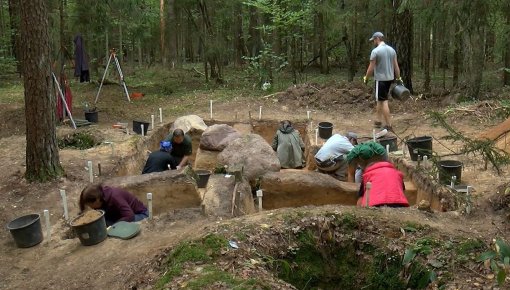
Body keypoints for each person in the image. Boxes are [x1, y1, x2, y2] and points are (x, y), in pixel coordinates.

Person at [346, 142, 408, 208]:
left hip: (375, 206)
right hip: (400, 206)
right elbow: (402, 193)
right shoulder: (397, 174)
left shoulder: (368, 175)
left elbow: (360, 203)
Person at [363, 32, 401, 132]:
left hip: (381, 80)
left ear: (377, 39)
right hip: (389, 79)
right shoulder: (392, 50)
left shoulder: (376, 51)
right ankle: (378, 120)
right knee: (380, 99)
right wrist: (398, 77)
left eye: (374, 40)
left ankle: (389, 125)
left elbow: (370, 68)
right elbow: (396, 66)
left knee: (384, 101)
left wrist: (366, 78)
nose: (373, 42)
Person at [79, 184, 148, 226]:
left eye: (91, 205)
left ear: (97, 200)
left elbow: (129, 215)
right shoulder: (101, 196)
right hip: (120, 215)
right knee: (101, 224)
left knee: (114, 227)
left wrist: (114, 226)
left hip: (140, 214)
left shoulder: (114, 197)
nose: (91, 208)